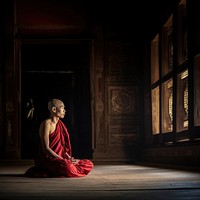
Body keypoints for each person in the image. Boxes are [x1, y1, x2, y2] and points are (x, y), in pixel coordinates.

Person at [24, 98, 94, 178]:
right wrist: (63, 160)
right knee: (68, 166)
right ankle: (60, 169)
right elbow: (46, 149)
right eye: (62, 108)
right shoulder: (47, 124)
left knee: (88, 163)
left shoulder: (60, 124)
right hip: (49, 159)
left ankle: (65, 168)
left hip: (60, 159)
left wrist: (69, 158)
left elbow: (62, 147)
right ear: (54, 109)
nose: (65, 111)